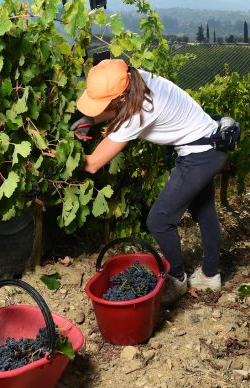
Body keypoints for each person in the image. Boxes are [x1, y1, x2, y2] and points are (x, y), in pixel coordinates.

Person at [71, 59, 229, 305]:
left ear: (120, 96)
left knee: (159, 221)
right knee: (204, 211)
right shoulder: (135, 77)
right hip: (210, 142)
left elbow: (92, 164)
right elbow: (116, 107)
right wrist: (90, 120)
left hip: (200, 155)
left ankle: (176, 281)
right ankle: (210, 274)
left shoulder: (139, 112)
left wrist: (63, 153)